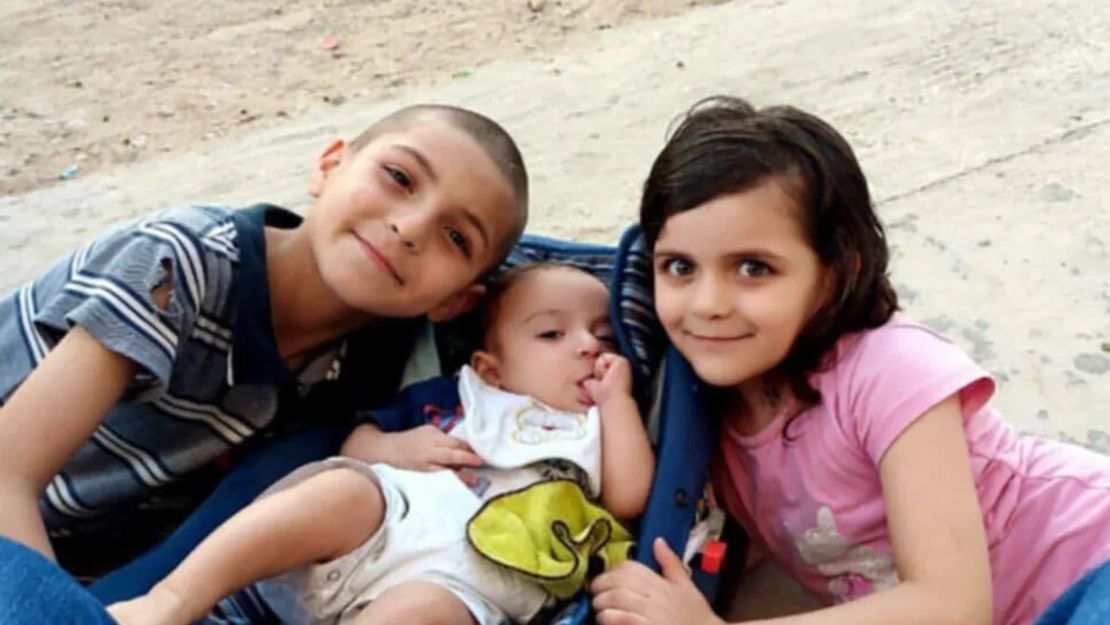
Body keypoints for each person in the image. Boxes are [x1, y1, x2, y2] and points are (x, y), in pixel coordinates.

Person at [589, 96, 1110, 625]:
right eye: (679, 267)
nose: (707, 304)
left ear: (837, 272)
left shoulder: (891, 368)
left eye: (753, 268)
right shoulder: (697, 412)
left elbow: (952, 607)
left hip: (1092, 566)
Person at [0, 104, 529, 585]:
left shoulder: (369, 364)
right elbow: (8, 475)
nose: (409, 228)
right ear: (329, 166)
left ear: (454, 301)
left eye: (456, 238)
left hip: (86, 553)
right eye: (398, 177)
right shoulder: (181, 265)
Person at [108, 262, 655, 625]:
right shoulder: (458, 400)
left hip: (470, 585)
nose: (588, 347)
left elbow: (629, 498)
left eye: (603, 336)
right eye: (552, 334)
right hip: (392, 518)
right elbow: (357, 440)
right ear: (491, 368)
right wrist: (396, 450)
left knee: (420, 611)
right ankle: (172, 599)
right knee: (341, 490)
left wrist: (618, 404)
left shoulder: (601, 428)